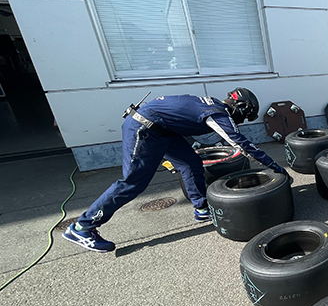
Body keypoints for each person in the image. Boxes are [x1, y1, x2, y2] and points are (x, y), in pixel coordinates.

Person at [63, 88, 289, 252]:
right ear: (241, 107)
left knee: (190, 163)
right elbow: (241, 144)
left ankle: (201, 208)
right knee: (132, 183)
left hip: (163, 130)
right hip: (144, 129)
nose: (243, 120)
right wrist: (276, 168)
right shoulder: (217, 113)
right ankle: (83, 227)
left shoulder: (211, 104)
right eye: (245, 116)